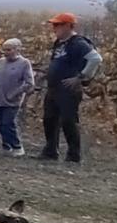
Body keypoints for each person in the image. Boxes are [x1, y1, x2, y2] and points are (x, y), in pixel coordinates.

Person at [40, 11, 94, 165]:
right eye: (54, 25)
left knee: (68, 121)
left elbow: (95, 59)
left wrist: (80, 77)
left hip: (68, 90)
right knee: (49, 119)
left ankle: (73, 155)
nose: (54, 28)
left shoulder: (78, 43)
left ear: (69, 26)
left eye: (58, 25)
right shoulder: (59, 43)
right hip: (54, 87)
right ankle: (50, 151)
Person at [0, 37, 34, 157]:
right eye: (4, 50)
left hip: (12, 100)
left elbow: (29, 83)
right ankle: (6, 146)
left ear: (17, 50)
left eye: (9, 50)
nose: (6, 52)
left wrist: (16, 93)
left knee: (8, 122)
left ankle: (17, 146)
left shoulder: (24, 63)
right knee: (0, 123)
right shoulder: (0, 62)